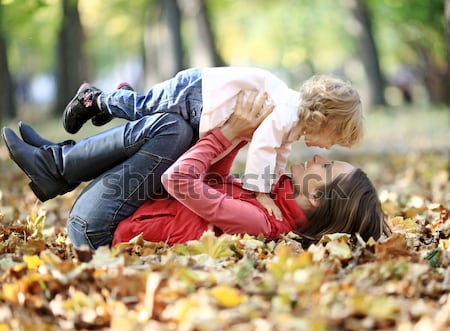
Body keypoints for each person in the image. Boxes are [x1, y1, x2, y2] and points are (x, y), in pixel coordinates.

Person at [3, 92, 389, 250]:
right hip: (119, 214)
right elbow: (209, 181)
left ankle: (56, 165)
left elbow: (179, 181)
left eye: (328, 168)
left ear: (320, 197)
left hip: (99, 229)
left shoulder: (261, 221)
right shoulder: (272, 202)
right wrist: (237, 135)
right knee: (183, 127)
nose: (319, 160)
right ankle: (56, 162)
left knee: (171, 129)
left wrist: (227, 135)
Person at [62, 66, 364, 220]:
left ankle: (119, 100)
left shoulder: (292, 123)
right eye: (333, 139)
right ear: (323, 120)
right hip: (197, 93)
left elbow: (278, 152)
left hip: (203, 103)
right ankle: (95, 98)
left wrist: (271, 189)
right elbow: (262, 148)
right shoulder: (286, 111)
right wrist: (259, 193)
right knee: (143, 109)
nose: (326, 148)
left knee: (145, 111)